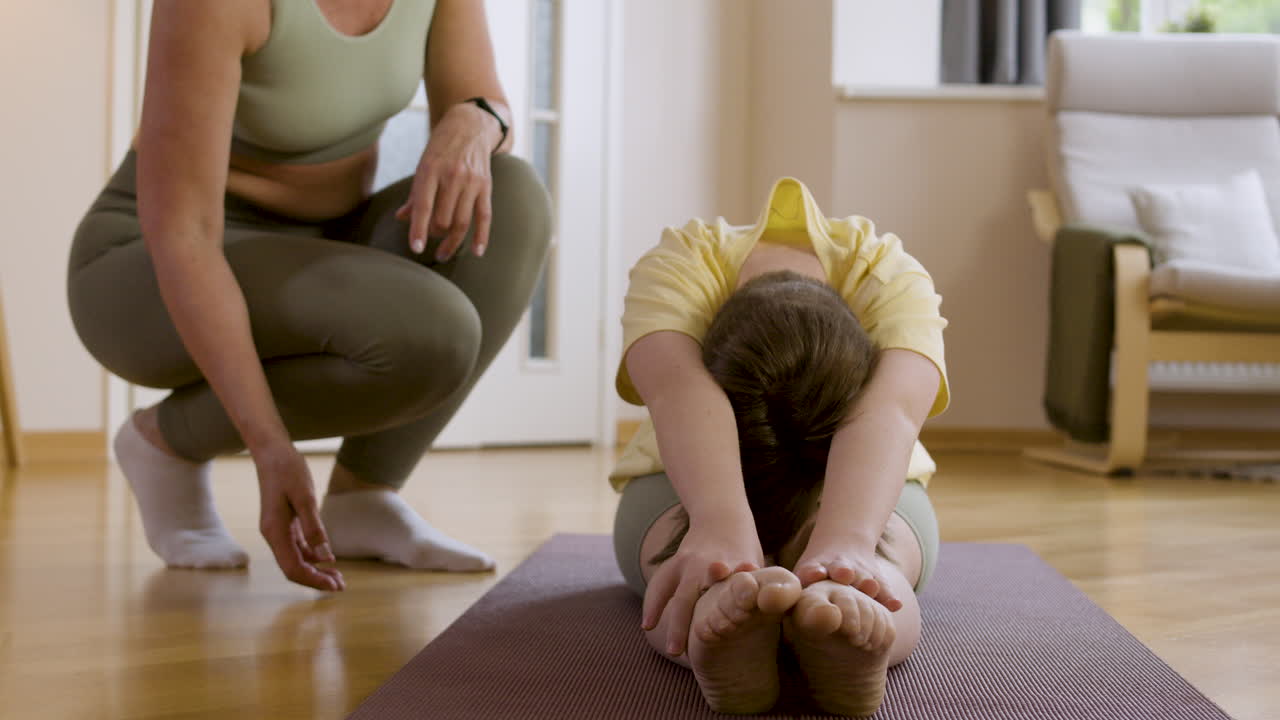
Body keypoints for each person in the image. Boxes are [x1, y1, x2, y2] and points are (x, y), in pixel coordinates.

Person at [66, 0, 551, 592]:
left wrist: (477, 120)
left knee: (515, 198)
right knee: (432, 332)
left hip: (326, 243)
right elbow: (185, 236)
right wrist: (271, 449)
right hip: (149, 260)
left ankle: (364, 495)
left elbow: (483, 99)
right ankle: (165, 442)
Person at [610, 178, 947, 715]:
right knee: (877, 574)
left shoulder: (885, 269)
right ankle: (844, 605)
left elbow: (892, 409)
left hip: (857, 482)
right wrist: (716, 520)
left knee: (870, 562)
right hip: (693, 478)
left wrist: (850, 539)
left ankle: (739, 607)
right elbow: (679, 389)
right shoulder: (686, 259)